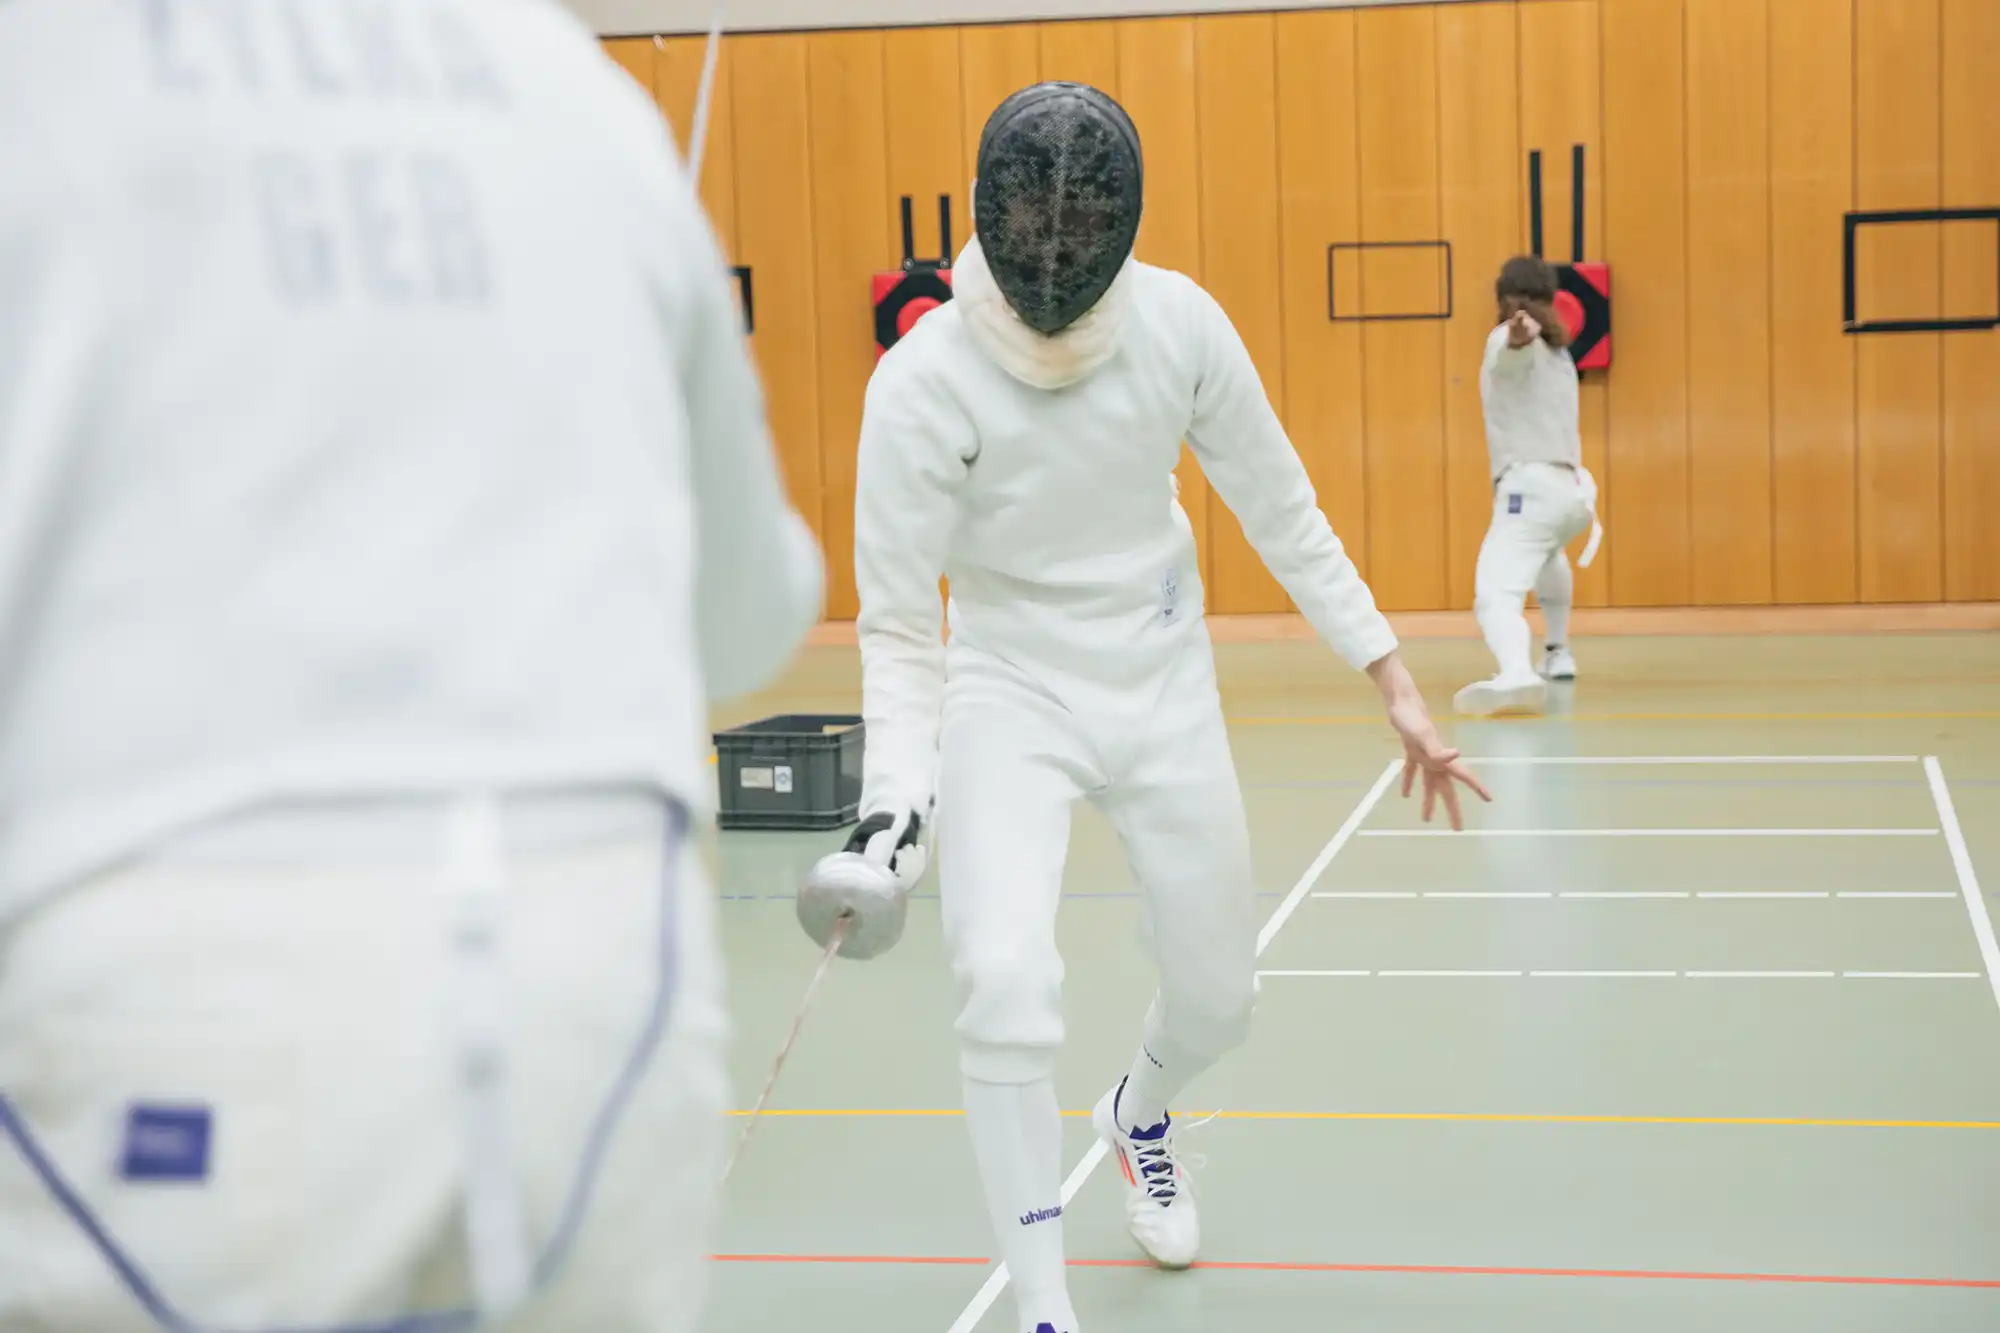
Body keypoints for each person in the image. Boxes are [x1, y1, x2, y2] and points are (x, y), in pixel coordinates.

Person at [0, 3, 820, 1331]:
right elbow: (743, 616)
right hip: (603, 994)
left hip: (172, 973)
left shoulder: (42, 62)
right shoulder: (578, 90)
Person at [841, 82, 1488, 1333]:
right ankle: (1041, 1305)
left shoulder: (1179, 325)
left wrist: (1394, 682)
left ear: (1119, 223)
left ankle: (1139, 1110)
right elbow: (894, 627)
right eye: (1033, 216)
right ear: (993, 208)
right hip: (1005, 685)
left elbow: (1281, 509)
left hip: (1156, 670)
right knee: (1002, 976)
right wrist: (889, 802)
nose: (1050, 248)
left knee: (1217, 997)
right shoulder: (920, 382)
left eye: (1078, 222)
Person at [1454, 255, 1602, 718]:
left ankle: (1517, 670)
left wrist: (1516, 340)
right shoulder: (1560, 350)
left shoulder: (1510, 338)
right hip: (1573, 493)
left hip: (1531, 490)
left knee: (1495, 593)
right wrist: (1524, 339)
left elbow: (1509, 358)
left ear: (1502, 298)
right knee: (1547, 553)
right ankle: (1557, 652)